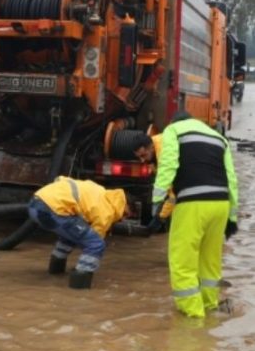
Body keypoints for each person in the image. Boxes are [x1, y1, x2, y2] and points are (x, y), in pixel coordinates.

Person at [151, 113, 239, 318]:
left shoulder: (173, 131)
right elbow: (232, 179)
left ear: (175, 122)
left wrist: (157, 197)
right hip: (220, 204)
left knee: (183, 261)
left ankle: (193, 318)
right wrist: (232, 217)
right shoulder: (219, 137)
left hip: (192, 204)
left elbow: (169, 164)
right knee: (210, 261)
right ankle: (210, 305)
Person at [27, 176, 130, 290]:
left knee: (71, 236)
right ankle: (79, 286)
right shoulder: (107, 211)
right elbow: (94, 238)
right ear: (125, 205)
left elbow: (61, 179)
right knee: (96, 244)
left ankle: (55, 271)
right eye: (127, 214)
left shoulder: (99, 190)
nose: (124, 218)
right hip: (53, 210)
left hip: (35, 203)